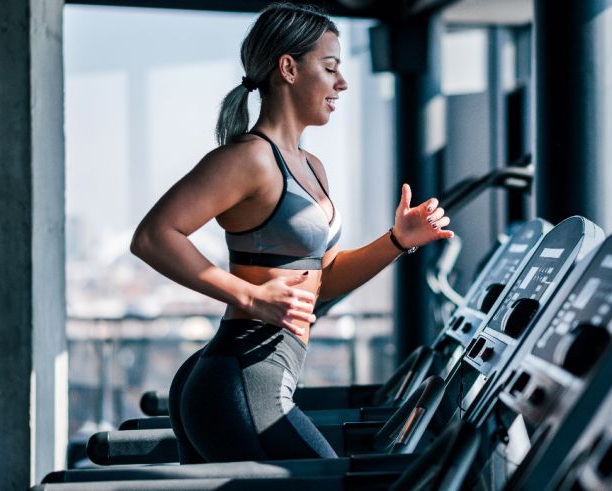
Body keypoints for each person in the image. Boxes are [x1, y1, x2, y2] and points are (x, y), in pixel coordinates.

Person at [130, 2, 453, 463]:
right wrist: (250, 296)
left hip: (255, 375)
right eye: (330, 67)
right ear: (288, 68)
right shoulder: (248, 158)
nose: (341, 82)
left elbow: (324, 281)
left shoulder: (311, 167)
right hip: (243, 377)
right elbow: (153, 236)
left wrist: (397, 240)